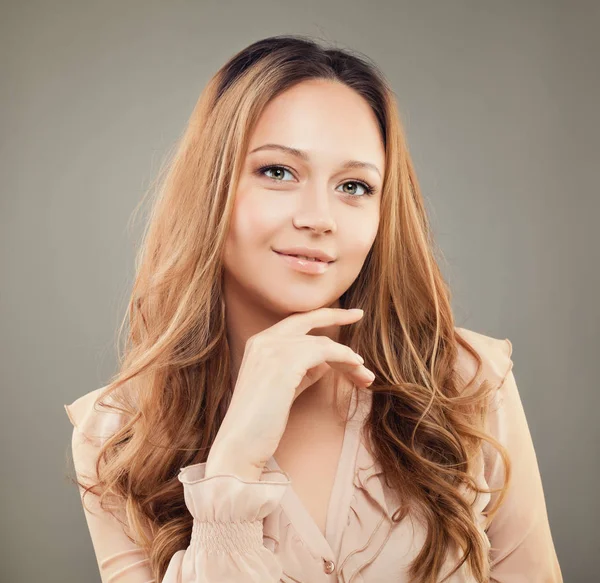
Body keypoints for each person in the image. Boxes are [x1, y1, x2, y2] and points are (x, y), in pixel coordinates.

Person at [64, 34, 562, 582]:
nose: (319, 217)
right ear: (212, 188)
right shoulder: (117, 436)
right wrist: (233, 467)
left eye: (354, 185)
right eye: (277, 172)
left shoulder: (467, 382)